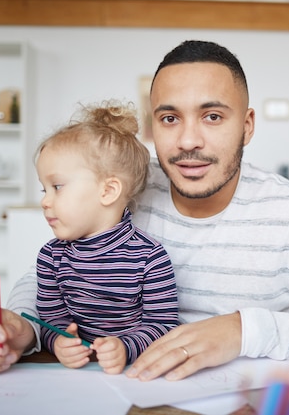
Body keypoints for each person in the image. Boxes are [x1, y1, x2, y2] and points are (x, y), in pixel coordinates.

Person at [0, 40, 289, 380]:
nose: (189, 140)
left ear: (247, 126)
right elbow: (56, 272)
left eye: (212, 116)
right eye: (170, 118)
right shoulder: (127, 188)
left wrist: (243, 329)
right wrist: (22, 327)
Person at [32, 100, 179, 374]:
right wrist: (58, 342)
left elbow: (163, 325)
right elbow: (51, 319)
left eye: (57, 187)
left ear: (108, 191)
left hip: (134, 377)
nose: (45, 201)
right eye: (44, 190)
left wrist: (125, 347)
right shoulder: (50, 258)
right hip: (74, 378)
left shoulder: (149, 258)